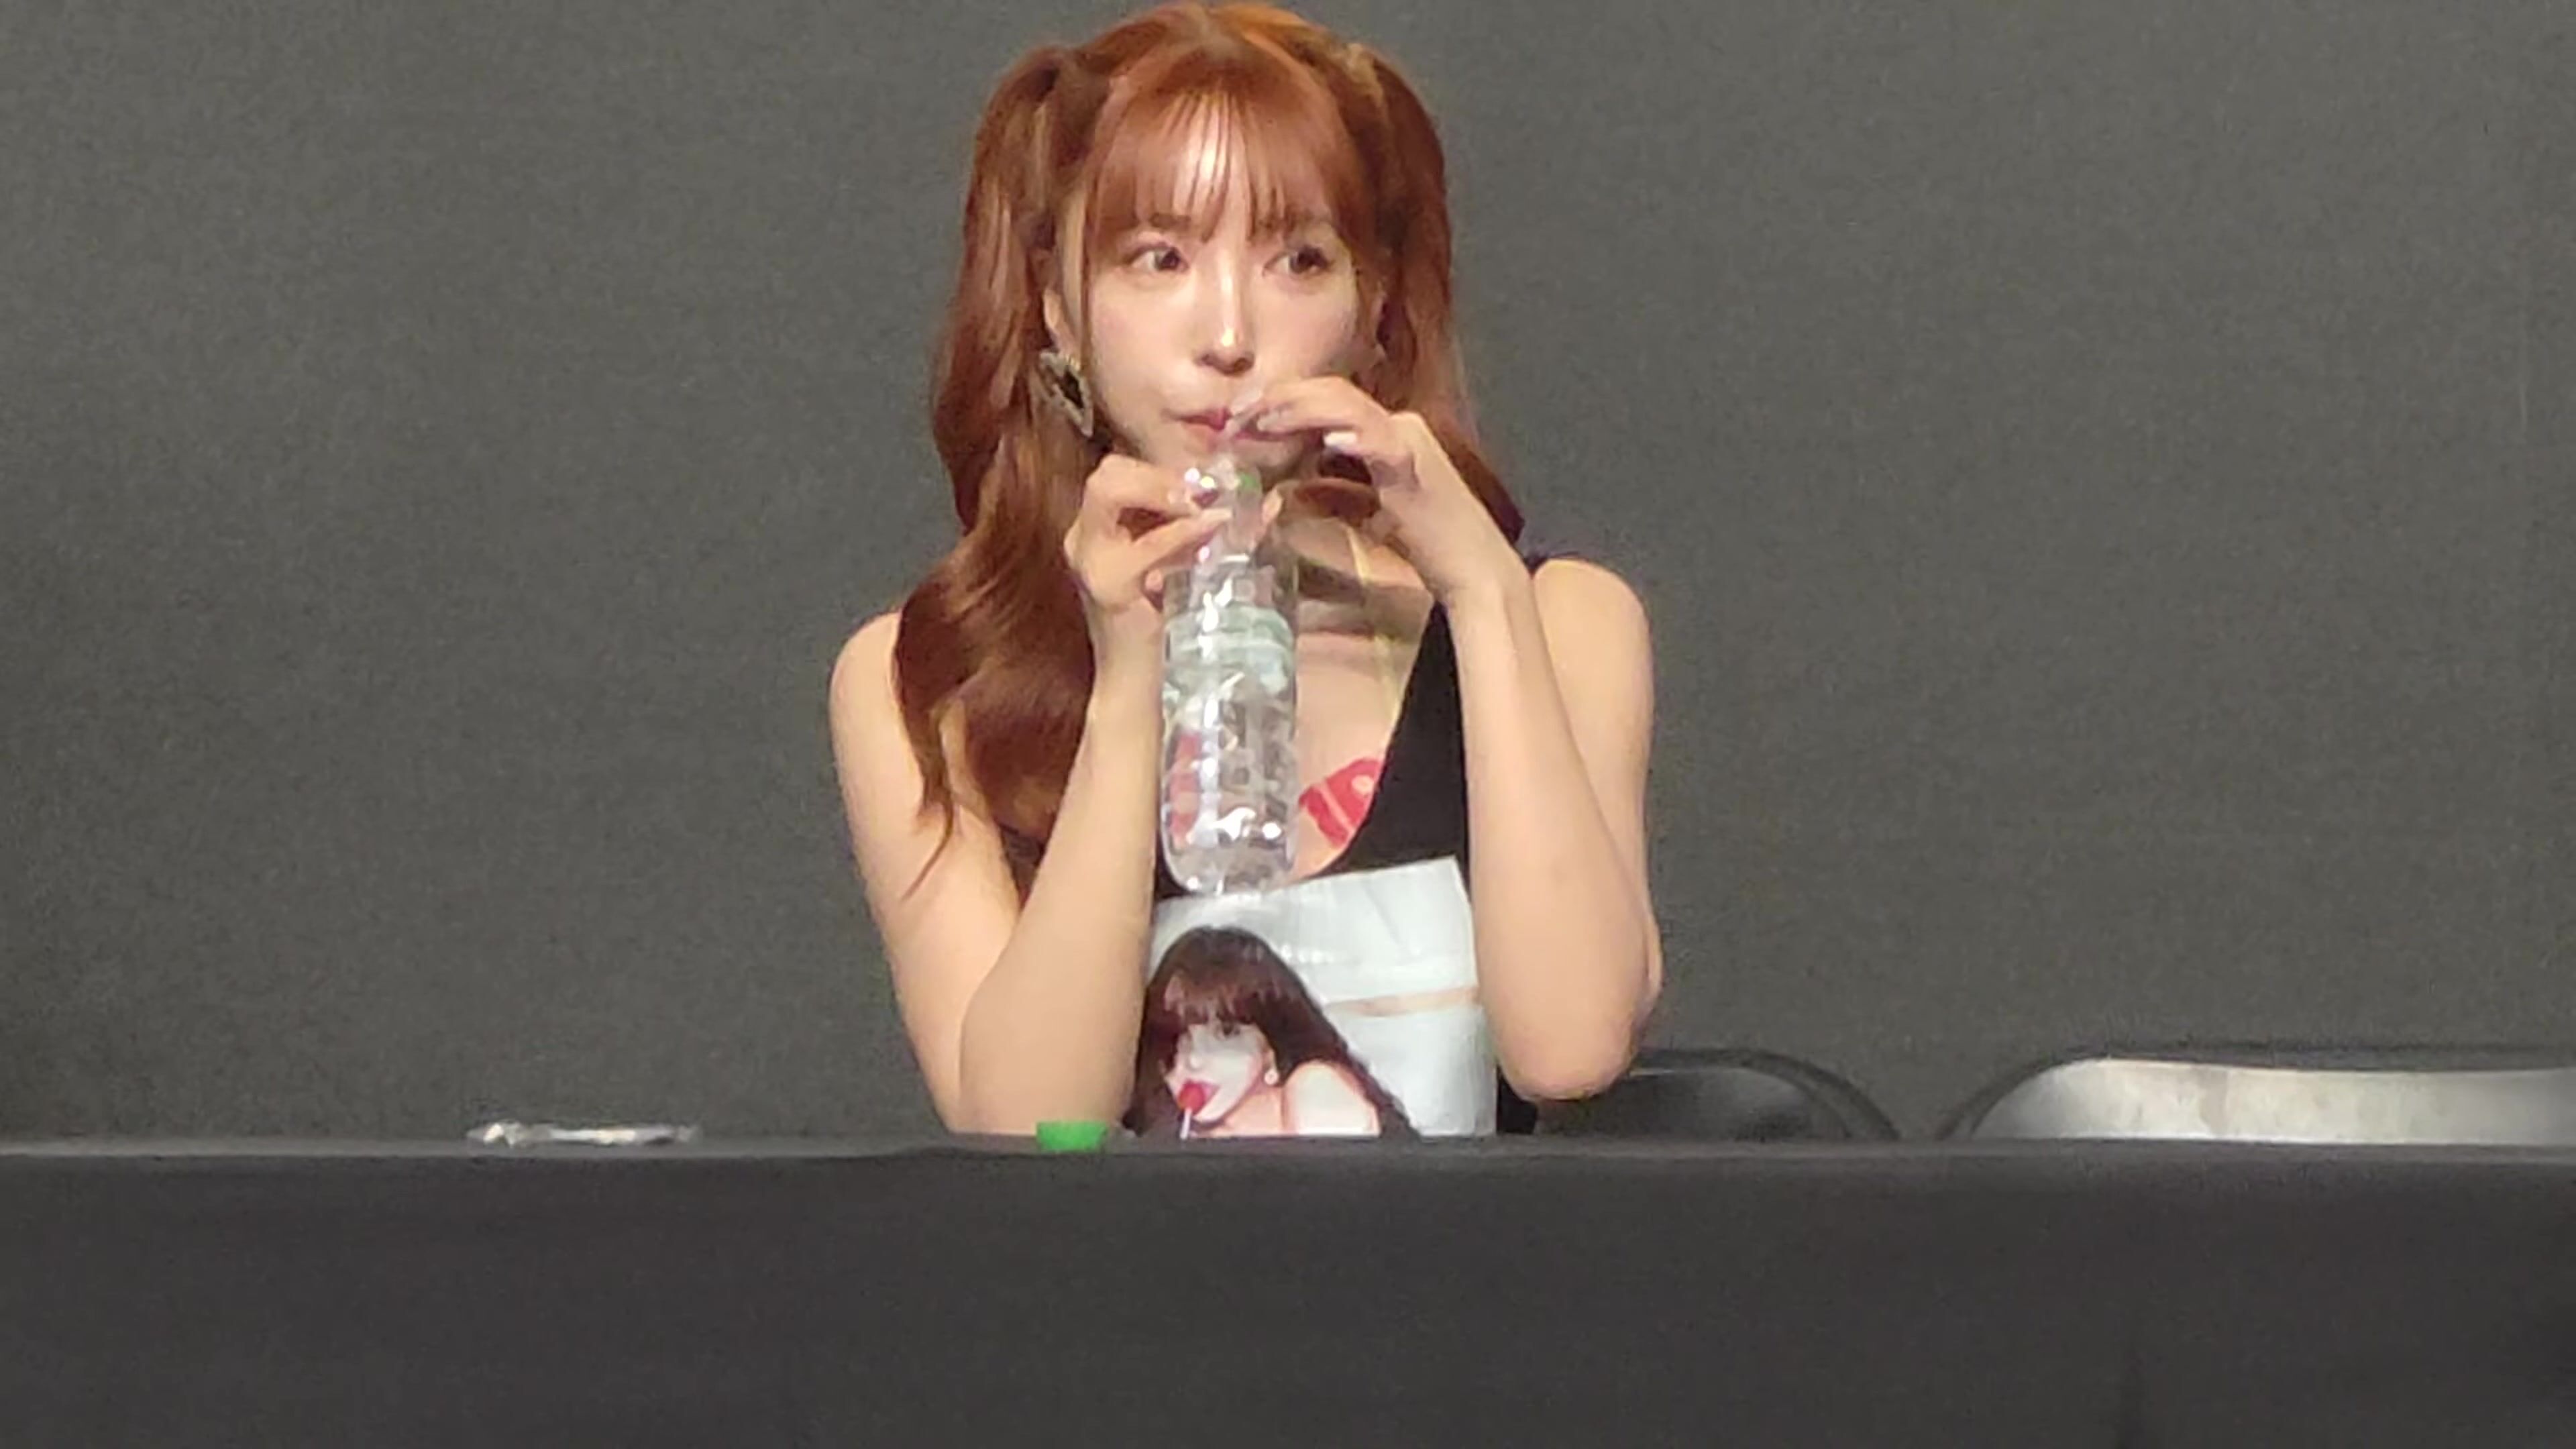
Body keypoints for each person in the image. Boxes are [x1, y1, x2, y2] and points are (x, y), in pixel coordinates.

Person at [829, 2, 1661, 1136]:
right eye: (1159, 258)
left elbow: (1571, 1049)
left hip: (1475, 1263)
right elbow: (1026, 1131)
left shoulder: (1561, 623)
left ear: (1373, 306)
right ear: (1060, 311)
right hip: (1122, 1266)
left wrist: (1481, 591)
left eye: (1298, 260)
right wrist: (1129, 683)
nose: (1228, 333)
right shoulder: (929, 682)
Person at [1130, 926, 1415, 1138]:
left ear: (1271, 1047)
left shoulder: (1316, 1090)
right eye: (1179, 1038)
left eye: (1226, 1034)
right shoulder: (1177, 1134)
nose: (1193, 1060)